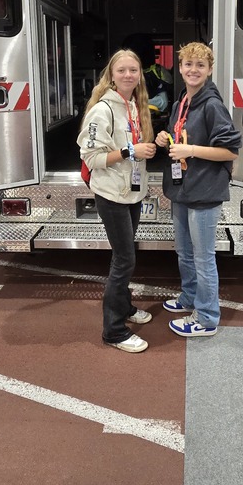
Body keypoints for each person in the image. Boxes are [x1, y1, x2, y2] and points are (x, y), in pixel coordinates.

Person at [155, 42, 241, 338]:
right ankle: (189, 298)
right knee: (185, 252)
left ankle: (206, 318)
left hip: (204, 191)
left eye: (200, 65)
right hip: (183, 189)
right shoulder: (181, 102)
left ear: (209, 70)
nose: (193, 70)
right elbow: (180, 133)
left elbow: (230, 151)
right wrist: (167, 138)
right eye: (188, 64)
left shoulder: (212, 105)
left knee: (203, 257)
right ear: (179, 67)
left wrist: (190, 149)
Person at [77, 49, 156, 353]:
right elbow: (92, 157)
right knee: (124, 259)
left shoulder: (135, 105)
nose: (128, 75)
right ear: (111, 75)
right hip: (111, 194)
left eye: (133, 70)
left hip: (131, 192)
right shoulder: (103, 110)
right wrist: (129, 152)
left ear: (139, 75)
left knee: (126, 255)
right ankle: (114, 330)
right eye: (122, 70)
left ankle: (124, 308)